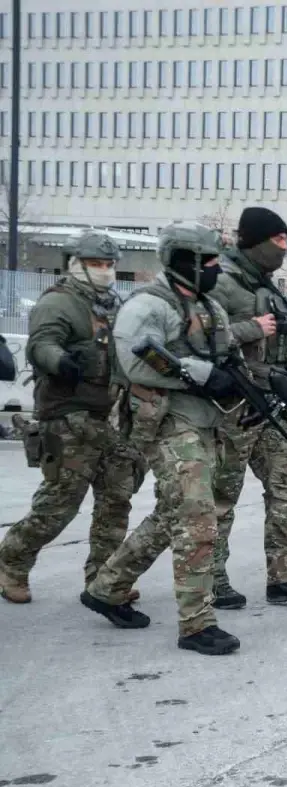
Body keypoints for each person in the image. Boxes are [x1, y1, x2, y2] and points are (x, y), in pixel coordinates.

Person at [82, 223, 241, 655]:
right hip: (166, 421)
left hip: (204, 421)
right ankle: (196, 624)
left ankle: (107, 587)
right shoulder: (148, 305)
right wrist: (205, 375)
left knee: (173, 513)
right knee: (197, 518)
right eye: (209, 262)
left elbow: (226, 355)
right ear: (185, 260)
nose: (216, 269)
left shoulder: (209, 305)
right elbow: (137, 363)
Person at [0, 232, 145, 604]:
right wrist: (61, 361)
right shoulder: (59, 302)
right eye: (96, 264)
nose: (104, 270)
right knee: (58, 505)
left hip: (111, 418)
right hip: (69, 418)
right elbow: (41, 344)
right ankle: (11, 563)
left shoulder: (113, 304)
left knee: (115, 502)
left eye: (109, 264)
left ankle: (104, 580)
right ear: (75, 264)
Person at [206, 207, 287, 609]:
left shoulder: (266, 285)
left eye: (286, 240)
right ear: (255, 241)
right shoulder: (222, 282)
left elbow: (284, 347)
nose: (283, 248)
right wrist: (250, 328)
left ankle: (284, 576)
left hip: (271, 404)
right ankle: (212, 579)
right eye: (277, 240)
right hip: (233, 406)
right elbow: (199, 336)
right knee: (222, 495)